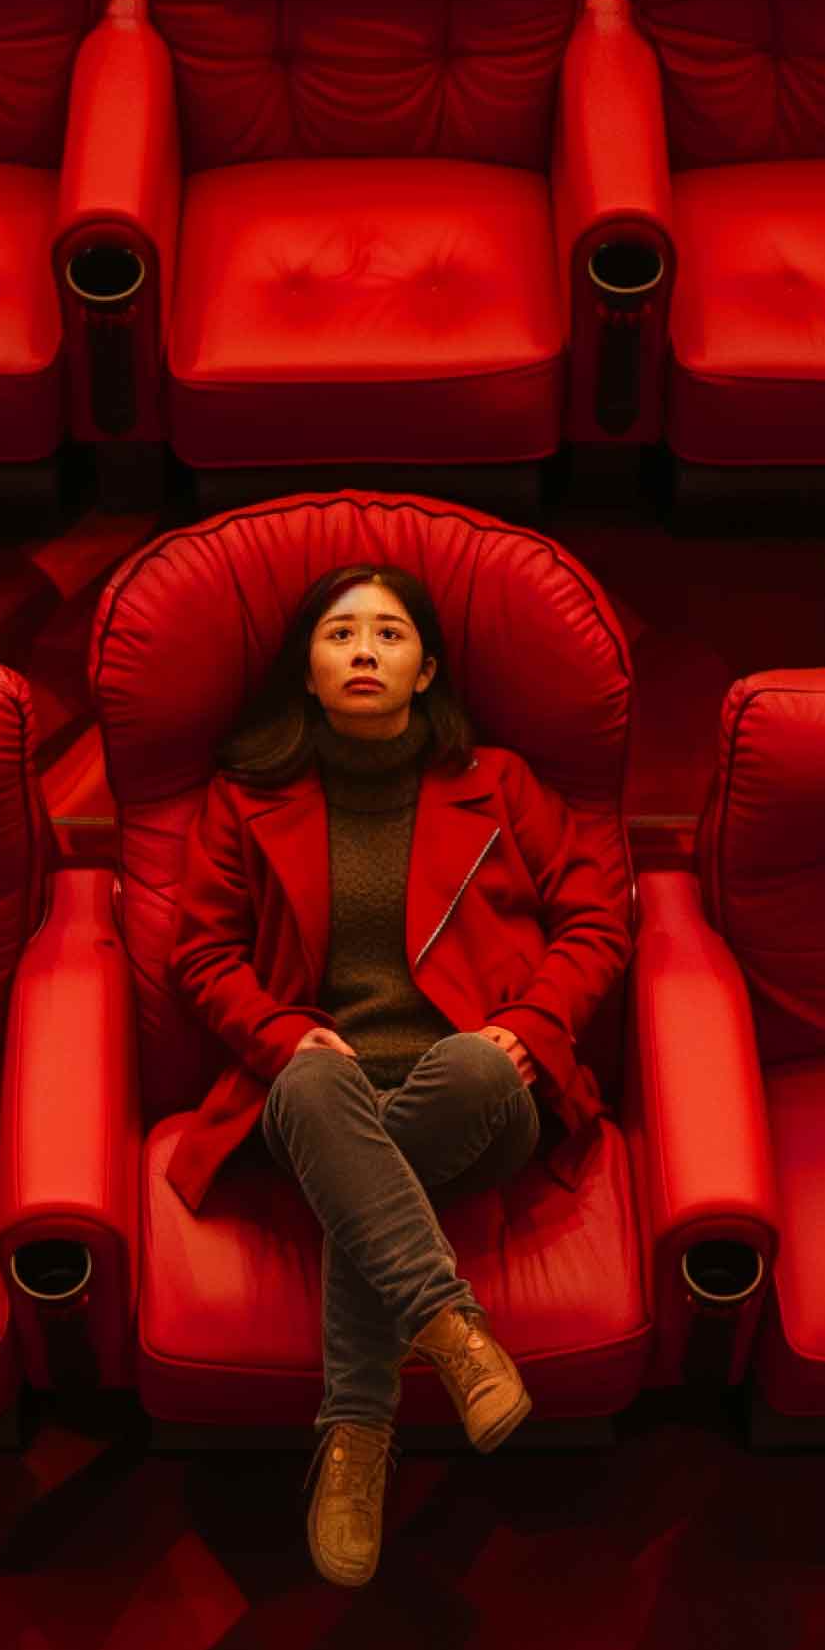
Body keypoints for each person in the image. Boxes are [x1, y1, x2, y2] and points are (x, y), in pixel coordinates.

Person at [163, 561, 632, 1588]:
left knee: (469, 1071)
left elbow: (597, 919)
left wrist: (532, 1024)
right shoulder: (246, 798)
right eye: (339, 635)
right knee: (316, 1091)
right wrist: (280, 1035)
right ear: (308, 673)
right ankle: (440, 1338)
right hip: (317, 1093)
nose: (364, 651)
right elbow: (201, 955)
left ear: (425, 671)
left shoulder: (502, 784)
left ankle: (355, 1428)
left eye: (388, 633)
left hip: (474, 1085)